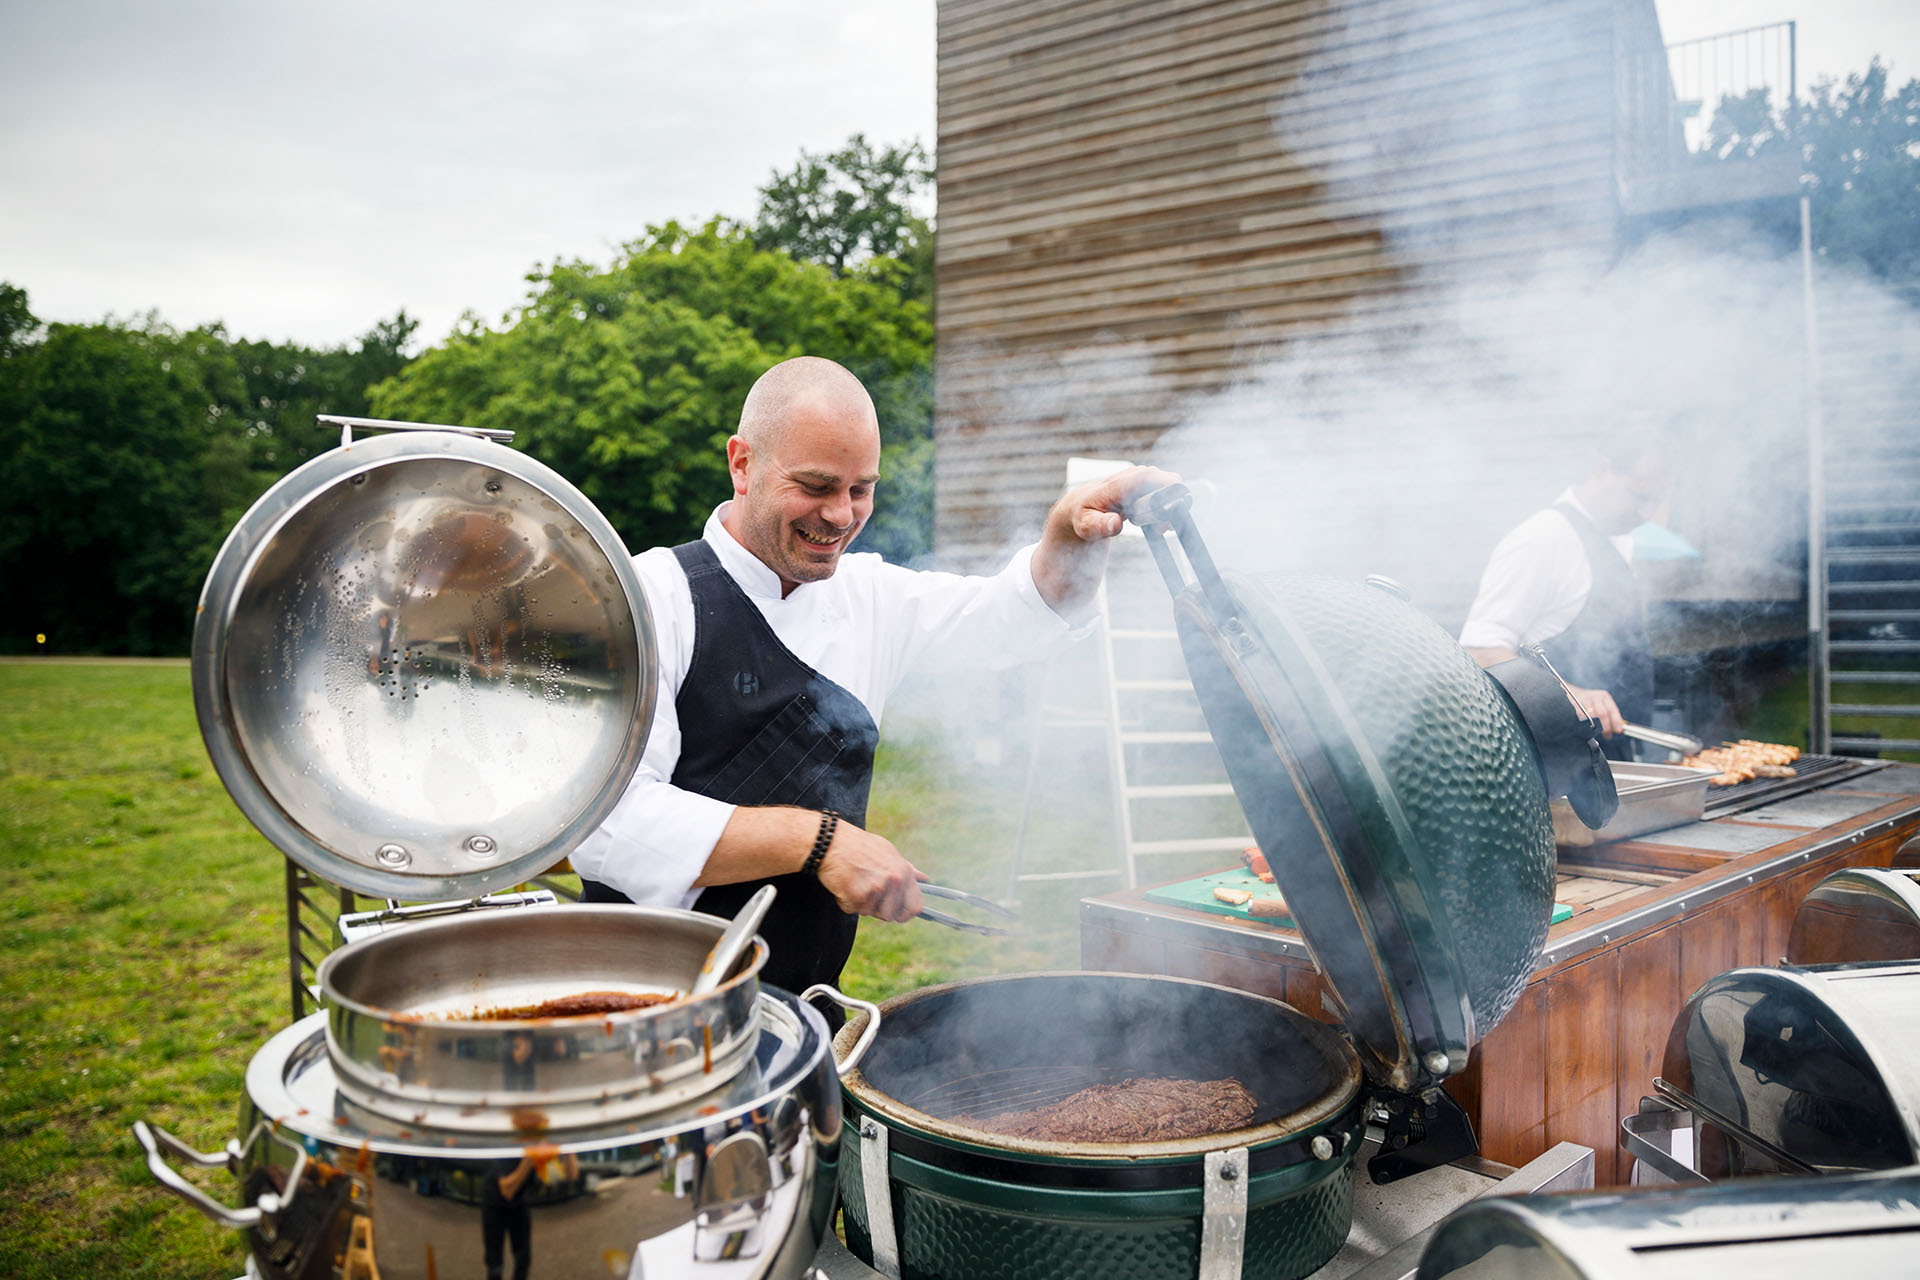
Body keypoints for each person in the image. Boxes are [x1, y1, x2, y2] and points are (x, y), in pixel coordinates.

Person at [569, 355, 1174, 999]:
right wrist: (818, 841)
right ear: (742, 463)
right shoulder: (648, 597)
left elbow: (1012, 618)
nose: (840, 515)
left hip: (805, 1003)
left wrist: (1068, 534)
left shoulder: (871, 595)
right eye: (816, 485)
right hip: (644, 1002)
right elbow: (604, 821)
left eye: (861, 489)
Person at [1458, 433, 1672, 760]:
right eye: (1637, 495)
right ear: (1603, 469)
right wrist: (1567, 695)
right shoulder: (1542, 538)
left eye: (1655, 501)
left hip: (1611, 760)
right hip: (1553, 766)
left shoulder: (1620, 539)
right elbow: (1478, 648)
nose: (1645, 513)